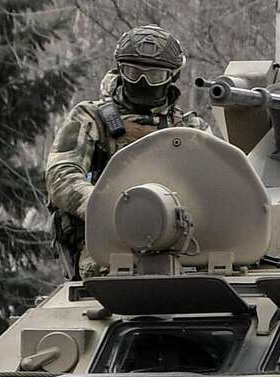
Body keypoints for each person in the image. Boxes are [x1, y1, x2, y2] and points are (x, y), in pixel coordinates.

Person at [45, 25, 209, 277]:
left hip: (180, 244)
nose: (142, 82)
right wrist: (112, 210)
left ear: (171, 77)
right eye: (133, 72)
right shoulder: (91, 119)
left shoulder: (190, 129)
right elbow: (61, 176)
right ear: (120, 71)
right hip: (108, 244)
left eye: (154, 75)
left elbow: (216, 186)